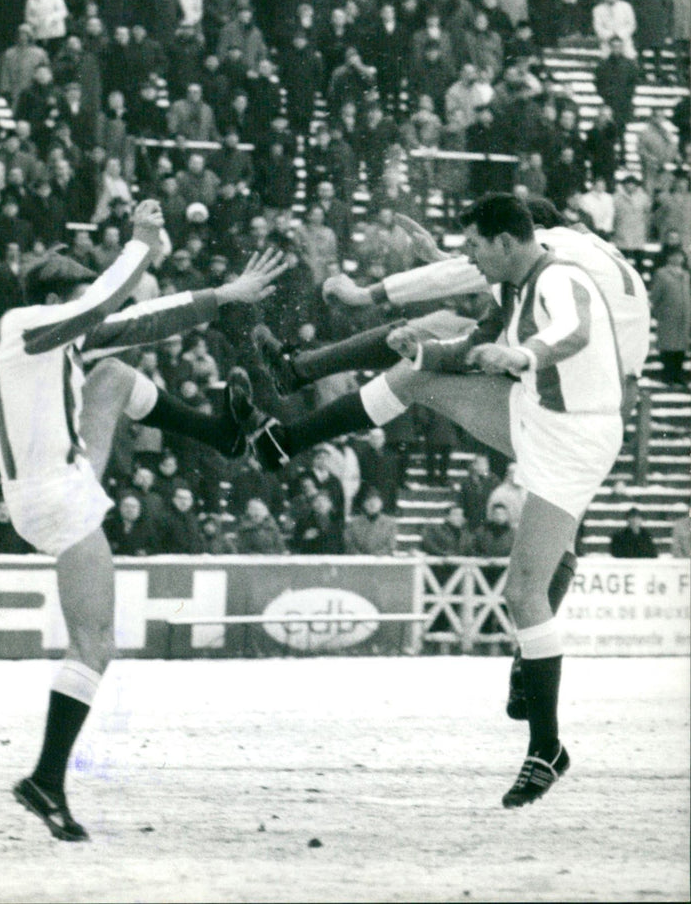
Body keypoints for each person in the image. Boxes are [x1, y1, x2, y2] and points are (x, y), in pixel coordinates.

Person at [247, 194, 634, 807]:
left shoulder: (561, 273)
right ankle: (284, 441)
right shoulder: (517, 283)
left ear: (508, 241)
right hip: (534, 413)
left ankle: (547, 747)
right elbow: (473, 338)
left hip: (575, 438)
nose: (470, 257)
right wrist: (421, 349)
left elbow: (575, 328)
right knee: (421, 376)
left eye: (476, 245)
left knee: (524, 590)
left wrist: (523, 353)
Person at [0, 201, 286, 840]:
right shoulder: (24, 325)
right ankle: (46, 779)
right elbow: (102, 304)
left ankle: (220, 436)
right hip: (54, 496)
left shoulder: (52, 338)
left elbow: (133, 322)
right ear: (53, 298)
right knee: (96, 643)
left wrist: (221, 295)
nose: (88, 312)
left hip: (60, 480)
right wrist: (142, 245)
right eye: (75, 298)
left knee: (116, 375)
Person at [649, 247, 690, 387]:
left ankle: (678, 375)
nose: (678, 259)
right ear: (669, 258)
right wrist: (656, 310)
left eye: (681, 256)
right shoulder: (662, 274)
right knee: (668, 346)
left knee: (681, 346)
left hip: (684, 316)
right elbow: (655, 295)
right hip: (668, 315)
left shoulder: (686, 275)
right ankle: (668, 375)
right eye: (675, 256)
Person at [344, 488, 398, 555]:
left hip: (381, 562)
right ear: (364, 504)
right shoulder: (354, 523)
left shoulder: (390, 524)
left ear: (381, 504)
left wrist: (375, 557)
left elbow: (391, 545)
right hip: (359, 561)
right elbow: (349, 544)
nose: (372, 504)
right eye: (369, 500)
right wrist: (360, 556)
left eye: (376, 501)